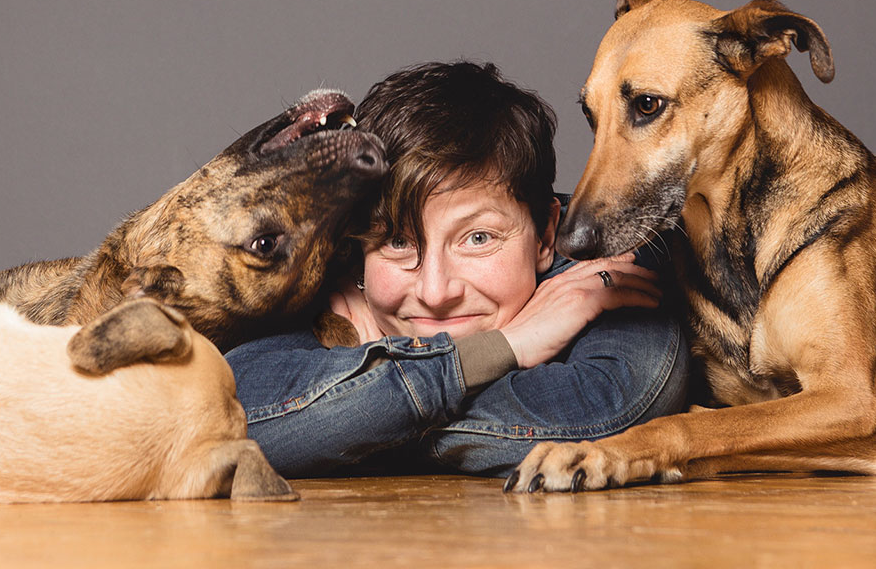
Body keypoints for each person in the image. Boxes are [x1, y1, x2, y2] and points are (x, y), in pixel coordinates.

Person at [225, 61, 689, 478]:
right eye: (399, 242)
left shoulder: (609, 257)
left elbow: (616, 412)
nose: (434, 291)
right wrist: (505, 347)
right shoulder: (327, 270)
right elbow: (230, 413)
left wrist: (351, 410)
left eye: (478, 238)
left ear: (547, 235)